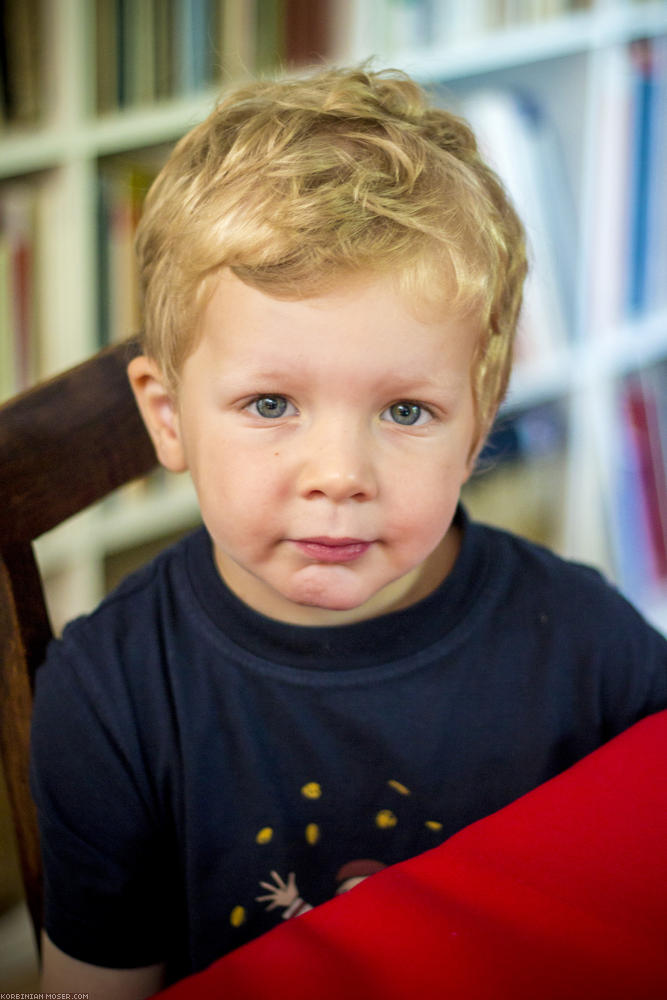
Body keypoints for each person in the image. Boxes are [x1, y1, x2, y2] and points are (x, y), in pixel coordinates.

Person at [30, 65, 666, 998]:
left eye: (406, 412)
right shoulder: (109, 700)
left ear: (479, 425)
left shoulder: (587, 647)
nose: (340, 476)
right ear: (167, 418)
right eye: (271, 402)